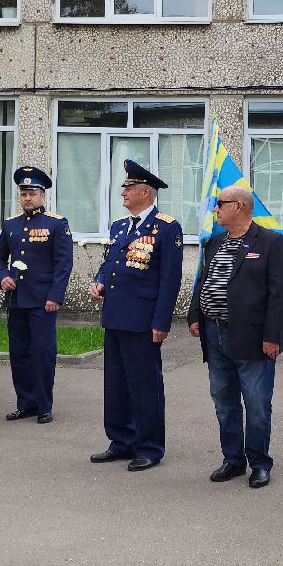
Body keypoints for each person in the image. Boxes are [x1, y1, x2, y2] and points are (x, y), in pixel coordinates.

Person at [186, 184, 283, 489]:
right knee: (223, 400)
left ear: (240, 207)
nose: (216, 209)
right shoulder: (215, 242)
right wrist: (195, 314)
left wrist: (272, 336)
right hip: (213, 330)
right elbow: (203, 281)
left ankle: (259, 462)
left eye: (221, 204)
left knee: (257, 402)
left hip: (252, 335)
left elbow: (278, 294)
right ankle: (232, 460)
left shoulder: (271, 241)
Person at [88, 160, 184, 471]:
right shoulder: (119, 226)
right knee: (115, 383)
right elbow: (110, 262)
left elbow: (170, 279)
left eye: (128, 188)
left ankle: (150, 446)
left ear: (145, 191)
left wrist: (161, 321)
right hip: (115, 315)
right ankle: (121, 440)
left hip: (143, 320)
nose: (123, 193)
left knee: (145, 385)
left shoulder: (167, 228)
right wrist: (100, 280)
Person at [0, 167, 73, 424]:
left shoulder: (56, 223)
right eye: (23, 193)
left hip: (43, 300)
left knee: (42, 352)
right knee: (19, 353)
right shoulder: (11, 224)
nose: (27, 198)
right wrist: (1, 276)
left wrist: (55, 296)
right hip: (17, 299)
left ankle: (44, 405)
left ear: (43, 195)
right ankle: (25, 403)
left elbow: (63, 263)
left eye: (32, 193)